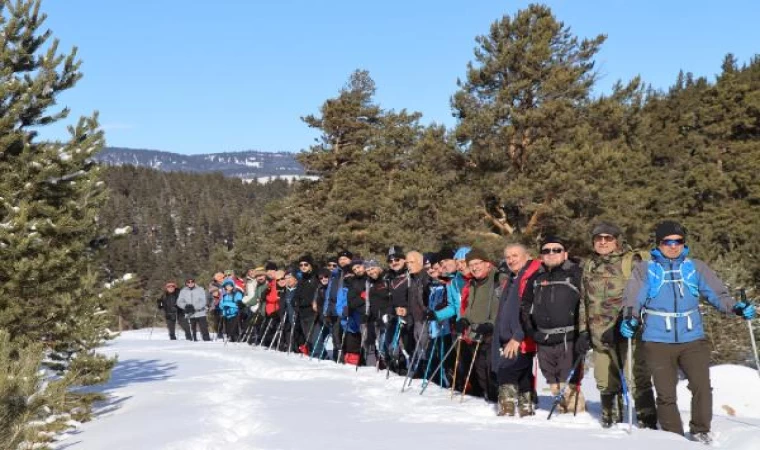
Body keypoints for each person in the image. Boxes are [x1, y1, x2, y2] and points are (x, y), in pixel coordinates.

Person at [621, 220, 756, 444]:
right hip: (657, 340)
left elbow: (718, 296)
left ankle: (701, 430)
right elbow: (633, 300)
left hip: (692, 338)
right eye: (668, 242)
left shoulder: (695, 267)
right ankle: (674, 439)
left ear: (684, 243)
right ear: (659, 243)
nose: (673, 246)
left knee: (701, 385)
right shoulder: (646, 269)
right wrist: (630, 319)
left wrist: (736, 308)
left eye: (678, 241)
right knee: (665, 393)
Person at [581, 222, 656, 428]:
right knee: (604, 379)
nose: (603, 242)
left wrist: (628, 321)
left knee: (636, 379)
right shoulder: (589, 265)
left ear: (617, 240)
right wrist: (583, 331)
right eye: (598, 238)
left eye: (608, 238)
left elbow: (644, 296)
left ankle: (648, 423)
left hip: (628, 332)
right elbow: (583, 300)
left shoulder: (631, 262)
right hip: (599, 335)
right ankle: (610, 420)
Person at [522, 237, 585, 413]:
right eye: (546, 251)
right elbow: (525, 304)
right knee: (552, 381)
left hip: (569, 338)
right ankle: (561, 414)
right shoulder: (536, 278)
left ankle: (577, 415)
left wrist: (584, 333)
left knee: (568, 382)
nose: (551, 253)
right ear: (541, 256)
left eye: (556, 250)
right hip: (543, 337)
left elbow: (587, 303)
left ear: (565, 254)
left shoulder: (576, 274)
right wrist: (530, 329)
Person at [491, 244, 538, 417]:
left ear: (527, 255)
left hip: (521, 337)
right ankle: (526, 409)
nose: (510, 260)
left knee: (507, 370)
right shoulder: (511, 279)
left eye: (515, 255)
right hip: (508, 337)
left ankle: (507, 409)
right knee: (523, 373)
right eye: (508, 257)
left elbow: (528, 311)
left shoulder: (530, 278)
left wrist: (518, 335)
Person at [453, 247, 502, 402]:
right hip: (476, 335)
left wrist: (491, 324)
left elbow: (502, 306)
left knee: (493, 373)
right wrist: (464, 319)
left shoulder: (499, 279)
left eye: (478, 263)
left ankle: (499, 403)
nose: (474, 267)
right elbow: (470, 307)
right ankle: (489, 403)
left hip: (494, 335)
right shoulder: (473, 282)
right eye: (471, 264)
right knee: (481, 373)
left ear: (487, 263)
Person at [177, 277, 210, 341]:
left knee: (204, 329)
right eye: (188, 282)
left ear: (194, 282)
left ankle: (207, 341)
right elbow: (179, 301)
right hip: (190, 313)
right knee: (192, 331)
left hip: (200, 313)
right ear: (186, 283)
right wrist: (185, 306)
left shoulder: (200, 289)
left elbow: (203, 301)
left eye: (192, 281)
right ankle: (193, 344)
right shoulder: (183, 291)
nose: (190, 283)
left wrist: (194, 307)